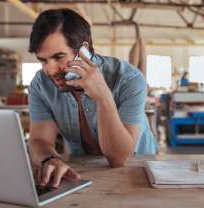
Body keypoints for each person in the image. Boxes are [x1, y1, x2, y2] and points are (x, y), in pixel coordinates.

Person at [27, 8, 158, 189]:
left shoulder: (129, 79)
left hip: (139, 170)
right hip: (81, 170)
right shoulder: (40, 84)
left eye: (59, 57)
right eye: (43, 60)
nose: (50, 70)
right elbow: (39, 141)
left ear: (84, 50)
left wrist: (103, 96)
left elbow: (119, 158)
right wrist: (49, 159)